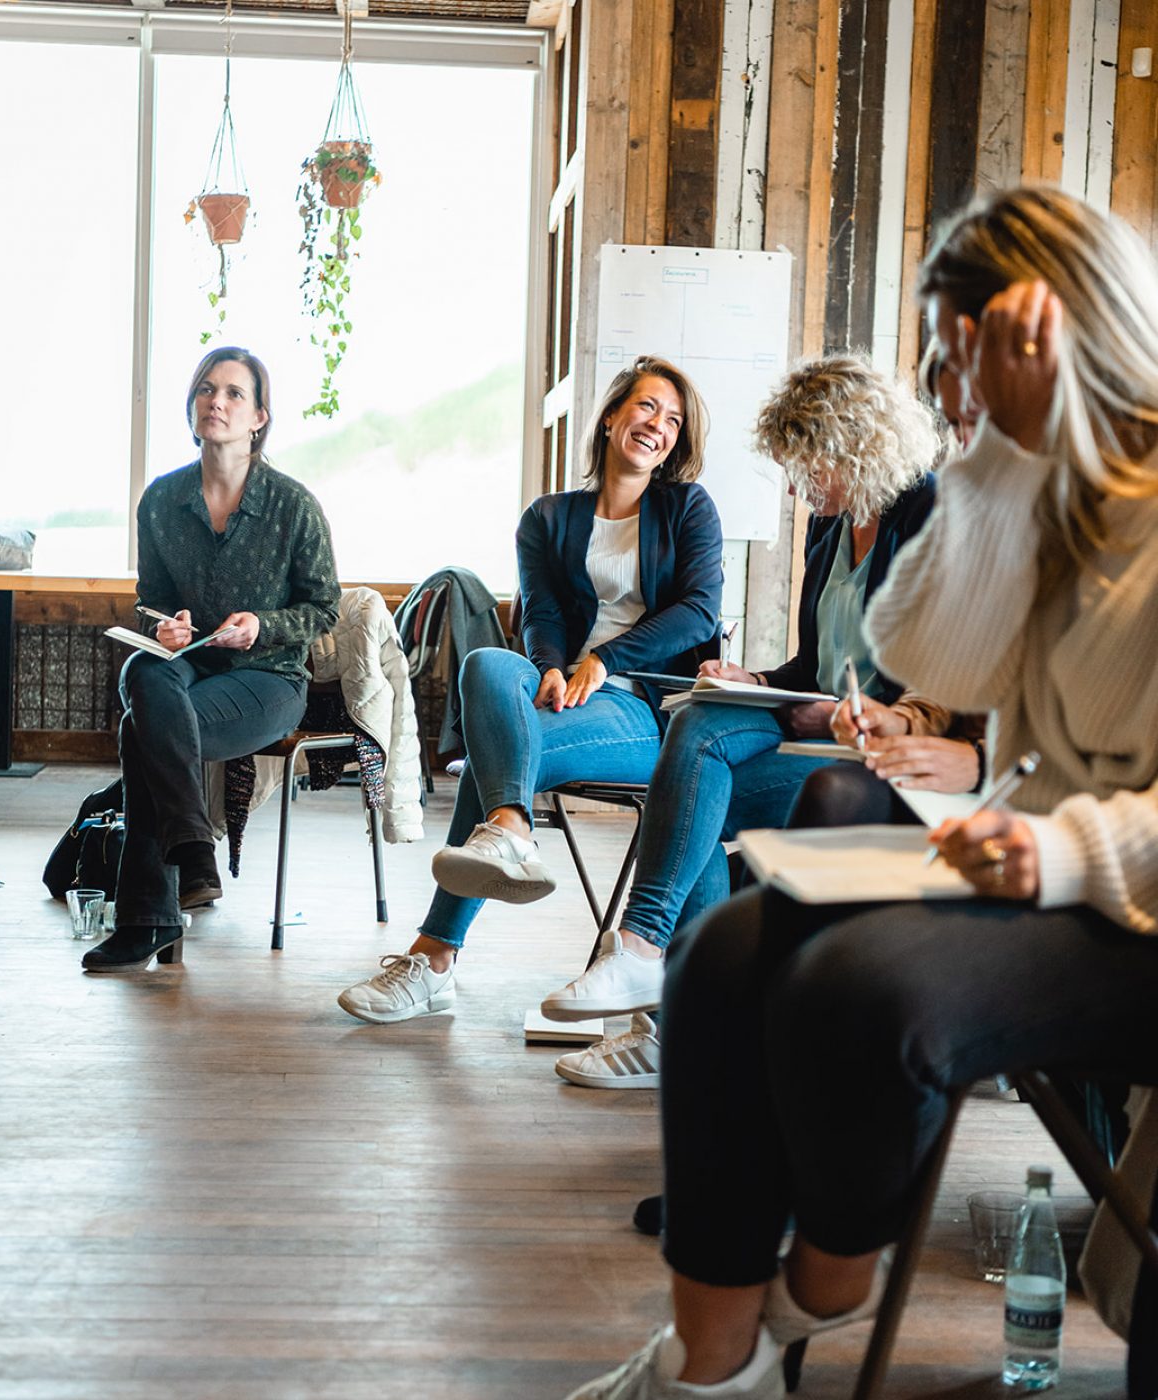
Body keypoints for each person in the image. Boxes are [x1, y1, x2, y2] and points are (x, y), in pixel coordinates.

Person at [562, 185, 1158, 1399]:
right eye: (940, 358)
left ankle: (819, 1292)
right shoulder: (1045, 501)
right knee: (724, 954)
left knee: (851, 981)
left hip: (1124, 903)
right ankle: (707, 1362)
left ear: (1062, 329)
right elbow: (942, 665)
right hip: (1031, 857)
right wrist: (1002, 459)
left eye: (961, 352)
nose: (942, 392)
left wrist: (1056, 847)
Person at [539, 356, 945, 1082]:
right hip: (814, 732)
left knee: (689, 785)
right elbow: (809, 668)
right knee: (698, 730)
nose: (795, 487)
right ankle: (653, 994)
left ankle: (649, 980)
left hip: (882, 754)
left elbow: (949, 672)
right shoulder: (829, 532)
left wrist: (856, 714)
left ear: (855, 446)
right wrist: (753, 678)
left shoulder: (926, 515)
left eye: (806, 465)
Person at [336, 355, 723, 1023]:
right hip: (559, 697)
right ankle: (511, 828)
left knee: (496, 754)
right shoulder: (549, 518)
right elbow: (540, 613)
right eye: (646, 408)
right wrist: (547, 665)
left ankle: (435, 957)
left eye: (672, 419)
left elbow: (699, 611)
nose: (657, 425)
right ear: (610, 419)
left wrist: (602, 660)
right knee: (488, 664)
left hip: (644, 711)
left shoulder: (687, 508)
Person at [82, 347, 340, 973]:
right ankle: (193, 849)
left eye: (232, 394)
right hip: (189, 668)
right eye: (206, 389)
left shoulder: (292, 504)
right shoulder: (162, 500)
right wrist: (165, 625)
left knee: (139, 727)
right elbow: (153, 600)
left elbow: (324, 608)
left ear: (259, 417)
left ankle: (149, 916)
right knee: (142, 670)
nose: (215, 402)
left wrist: (262, 625)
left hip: (269, 679)